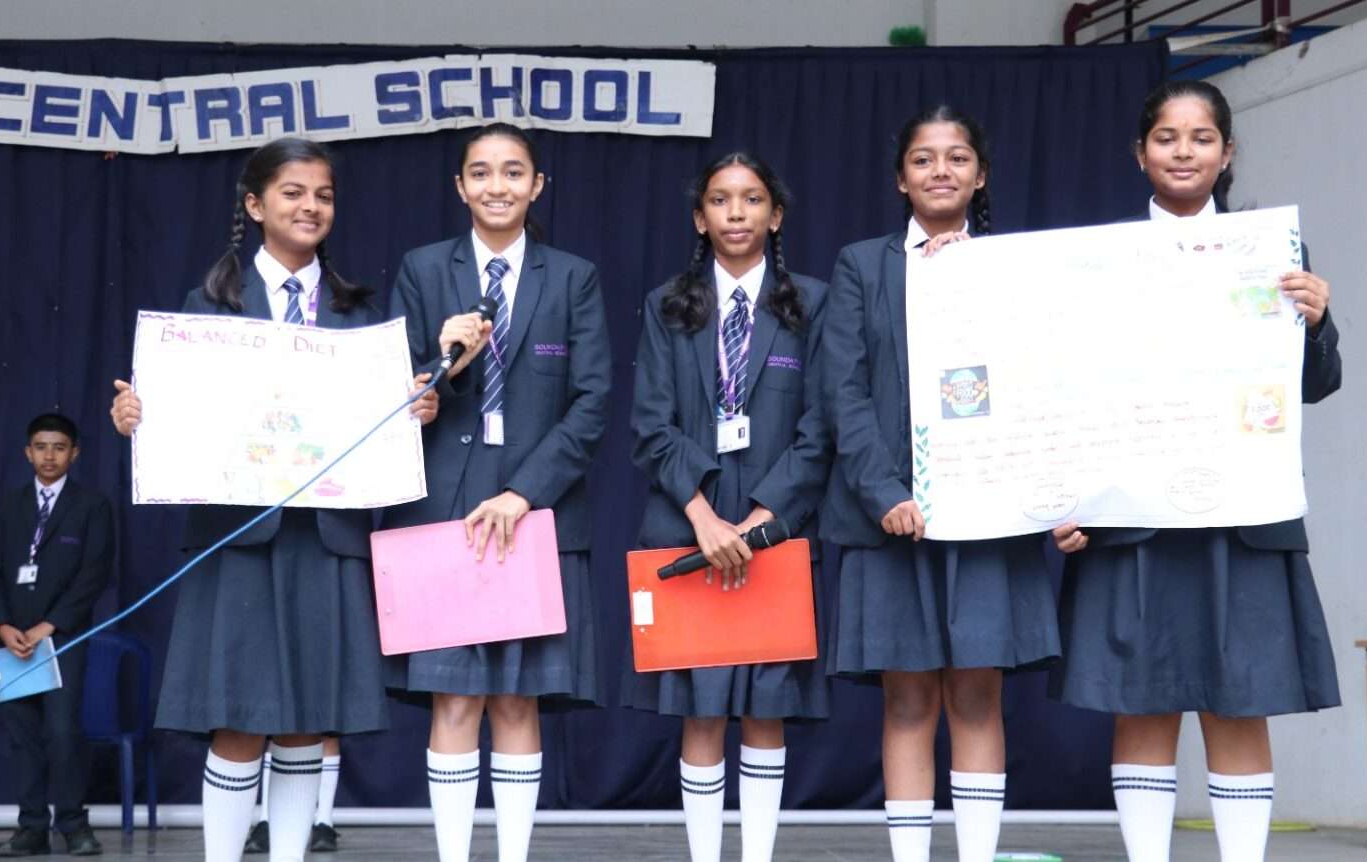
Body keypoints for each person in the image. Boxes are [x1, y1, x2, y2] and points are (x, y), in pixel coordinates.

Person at [109, 136, 438, 862]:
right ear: (256, 205)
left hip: (326, 539)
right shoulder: (207, 307)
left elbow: (384, 419)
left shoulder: (361, 316)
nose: (310, 206)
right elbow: (177, 414)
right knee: (237, 717)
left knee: (306, 722)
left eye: (323, 195)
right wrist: (138, 415)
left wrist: (416, 407)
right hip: (239, 539)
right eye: (293, 192)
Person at [1049, 79, 1341, 862]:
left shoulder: (1272, 252)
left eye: (1202, 137)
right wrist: (1063, 496)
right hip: (1131, 518)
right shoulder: (1093, 260)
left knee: (1241, 699)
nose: (1184, 152)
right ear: (1140, 152)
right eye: (1167, 137)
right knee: (1140, 702)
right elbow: (1060, 386)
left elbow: (1313, 384)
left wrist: (1317, 322)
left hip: (1241, 517)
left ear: (1227, 151)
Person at [821, 107, 1060, 862]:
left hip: (988, 517)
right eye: (923, 159)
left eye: (957, 158)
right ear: (901, 178)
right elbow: (843, 391)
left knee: (979, 694)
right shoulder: (863, 266)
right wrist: (884, 491)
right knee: (908, 698)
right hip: (892, 519)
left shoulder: (1011, 267)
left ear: (981, 175)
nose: (940, 171)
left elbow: (1041, 381)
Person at [382, 121, 611, 862]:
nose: (497, 186)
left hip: (531, 512)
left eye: (514, 172)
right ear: (460, 187)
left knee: (517, 697)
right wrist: (440, 361)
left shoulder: (572, 276)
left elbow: (593, 401)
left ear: (537, 185)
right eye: (480, 172)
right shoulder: (423, 269)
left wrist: (524, 492)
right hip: (443, 508)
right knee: (454, 696)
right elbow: (397, 394)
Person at [626, 152, 831, 862]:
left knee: (767, 710)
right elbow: (650, 424)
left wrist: (764, 517)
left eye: (751, 199)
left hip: (776, 533)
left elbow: (822, 426)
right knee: (703, 709)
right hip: (689, 528)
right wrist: (705, 518)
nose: (736, 212)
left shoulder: (813, 302)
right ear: (699, 217)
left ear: (776, 214)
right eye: (720, 199)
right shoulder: (665, 305)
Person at [0, 412, 112, 858]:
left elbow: (94, 574)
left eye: (59, 447)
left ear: (74, 454)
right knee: (22, 737)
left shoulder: (92, 506)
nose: (49, 456)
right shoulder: (9, 505)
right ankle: (32, 828)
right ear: (27, 452)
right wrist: (2, 626)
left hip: (61, 640)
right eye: (41, 447)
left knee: (62, 732)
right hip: (11, 642)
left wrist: (48, 626)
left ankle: (73, 825)